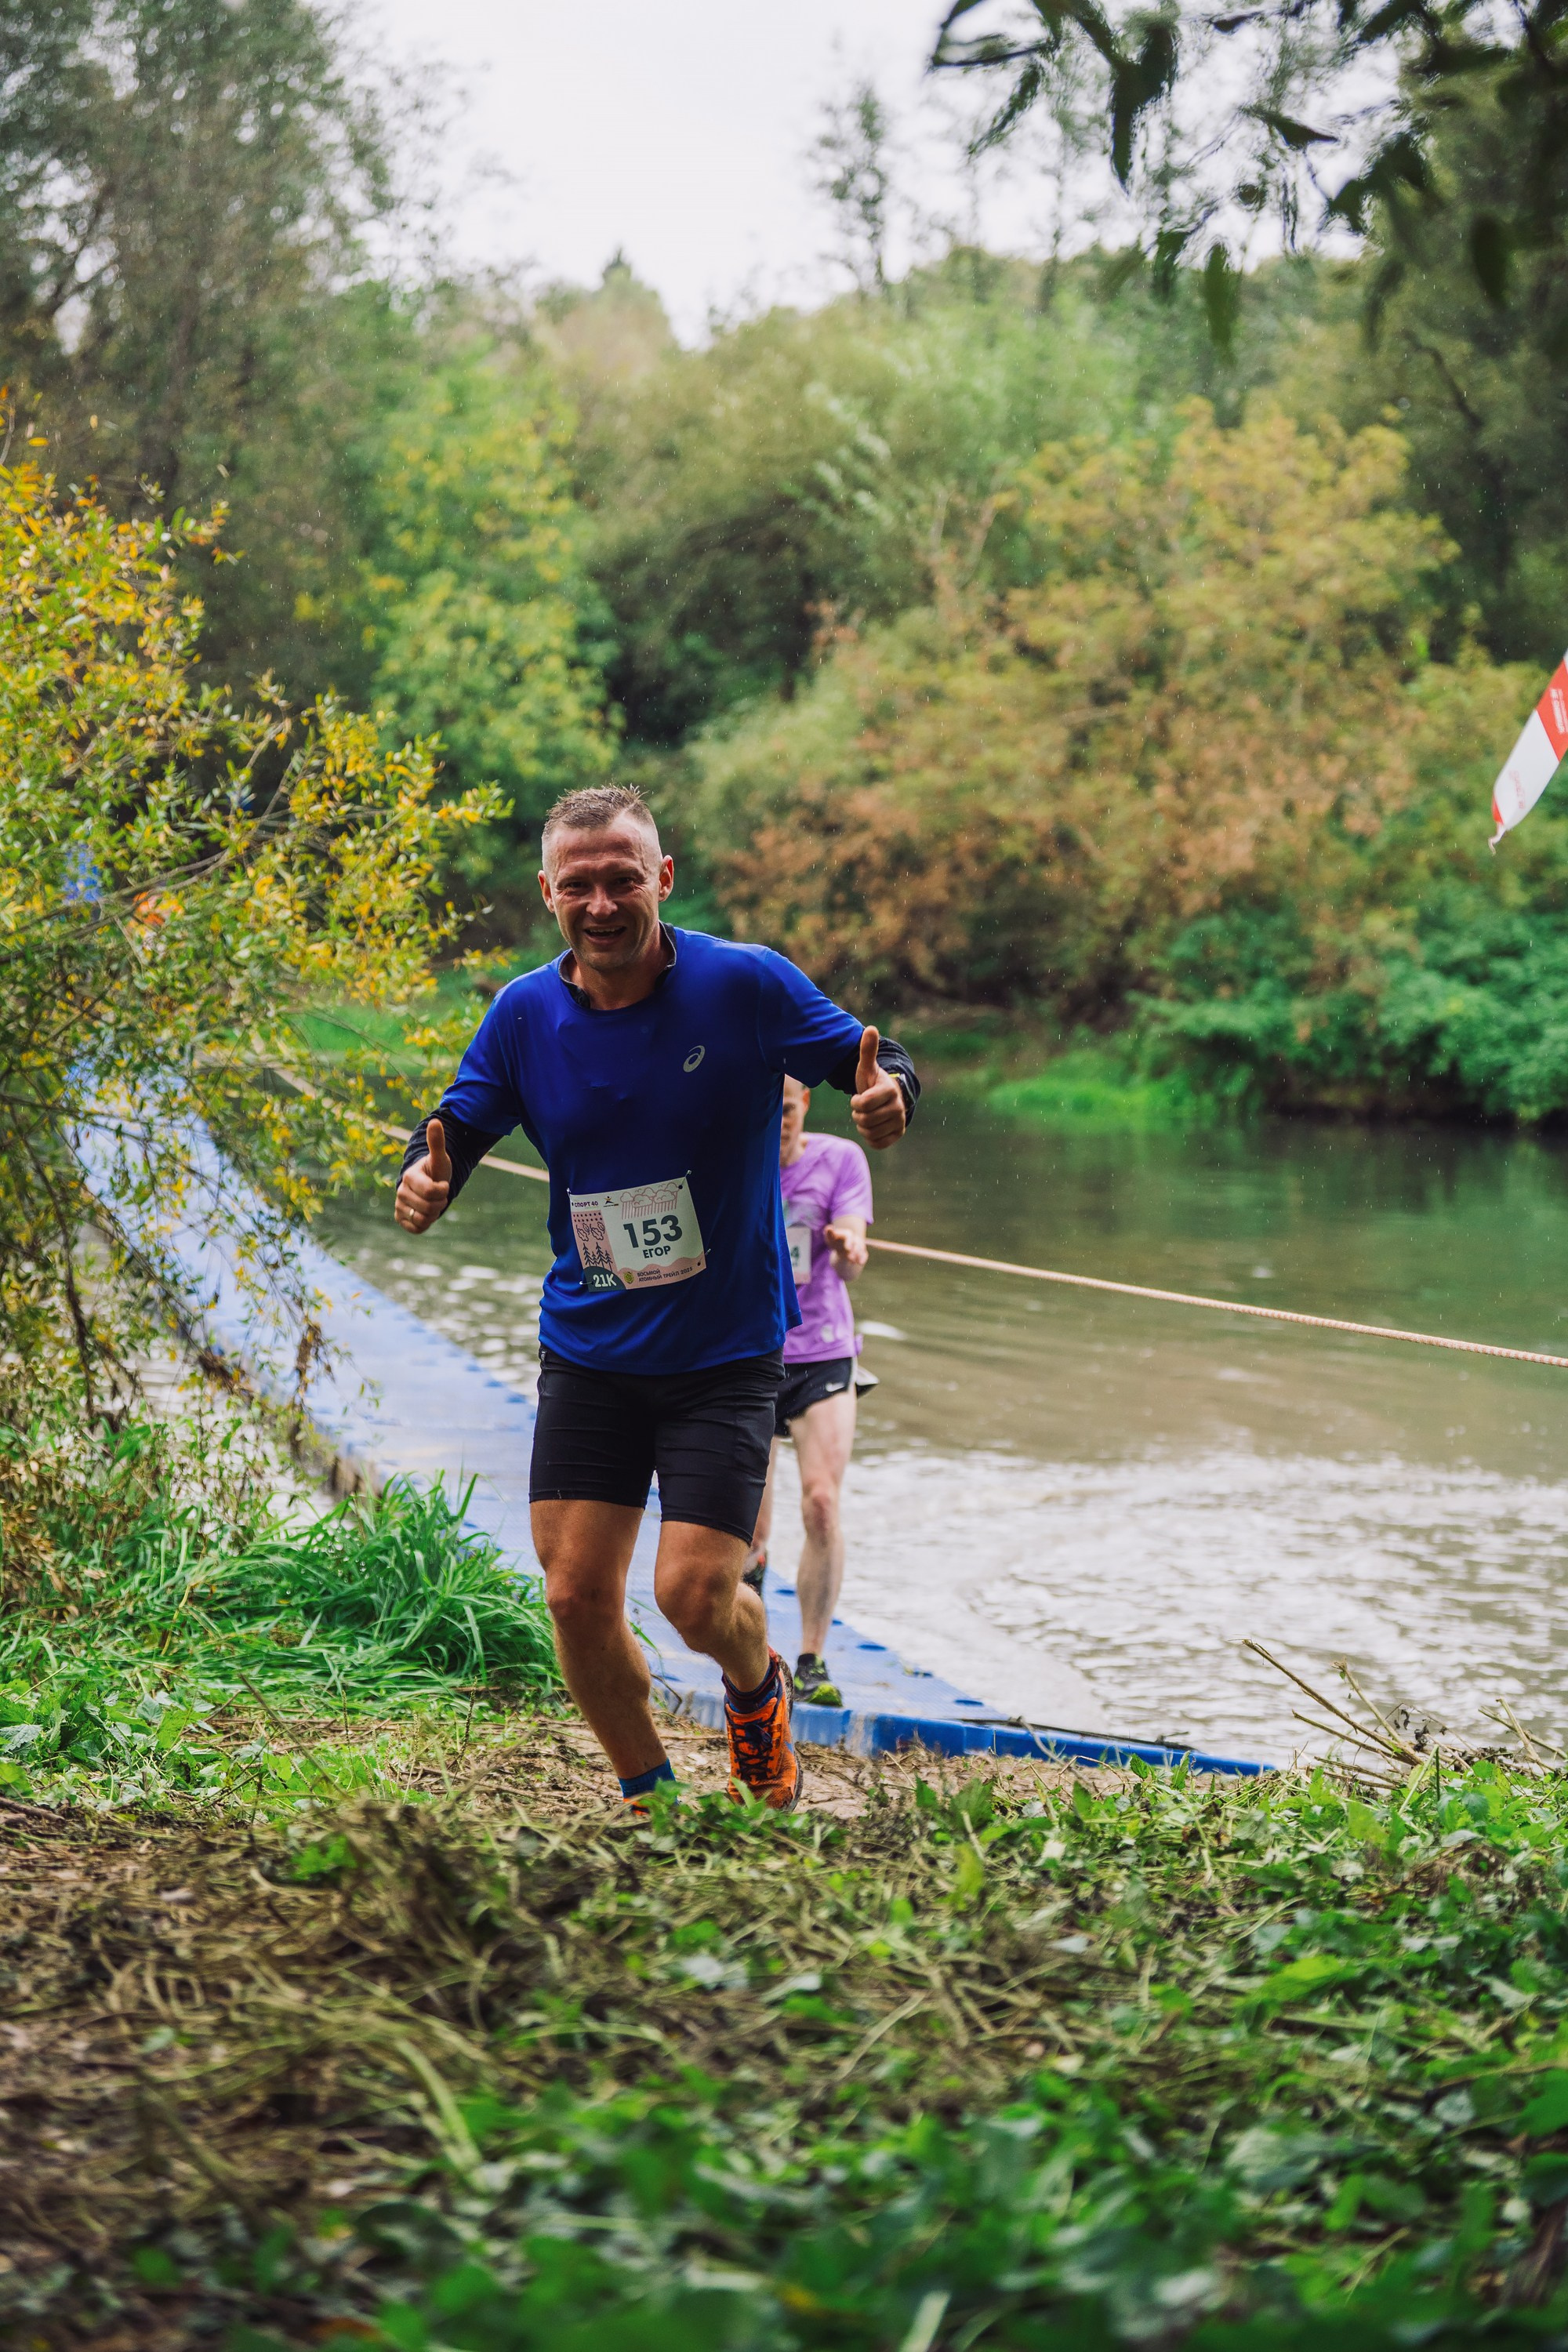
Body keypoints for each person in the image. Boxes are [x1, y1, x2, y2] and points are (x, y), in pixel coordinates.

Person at [393, 784, 919, 1813]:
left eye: (623, 879)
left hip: (723, 1353)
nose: (601, 903)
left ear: (662, 880)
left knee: (690, 1596)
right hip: (591, 1349)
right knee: (576, 1598)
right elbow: (457, 1123)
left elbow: (871, 1057)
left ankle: (755, 1684)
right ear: (548, 892)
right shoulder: (524, 1016)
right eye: (578, 884)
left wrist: (889, 1093)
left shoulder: (743, 987)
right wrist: (425, 1175)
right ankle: (657, 1804)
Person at [742, 1077, 873, 1707]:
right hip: (750, 1354)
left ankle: (813, 1659)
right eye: (769, 1110)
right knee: (749, 1531)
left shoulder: (840, 1159)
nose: (780, 1122)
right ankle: (750, 1648)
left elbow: (852, 1259)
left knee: (821, 1503)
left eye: (787, 1109)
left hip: (823, 1350)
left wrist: (847, 1247)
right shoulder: (733, 1160)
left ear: (804, 1107)